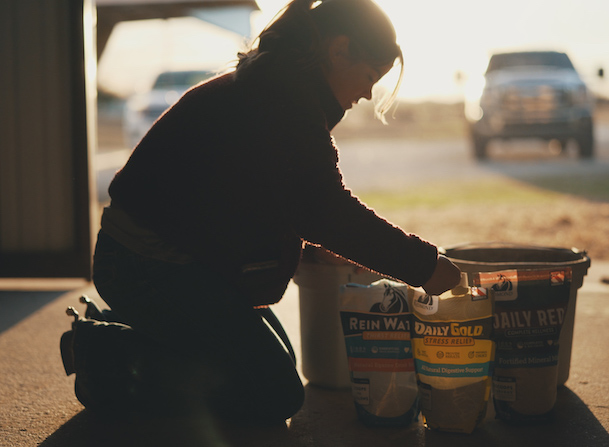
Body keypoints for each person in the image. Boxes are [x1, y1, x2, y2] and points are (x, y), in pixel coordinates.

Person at [87, 0, 461, 424]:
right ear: (340, 50)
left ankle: (148, 332)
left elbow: (265, 198)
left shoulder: (276, 86)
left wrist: (315, 245)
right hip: (146, 267)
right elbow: (324, 210)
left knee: (274, 358)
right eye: (371, 76)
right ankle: (107, 356)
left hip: (183, 263)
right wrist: (426, 267)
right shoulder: (281, 100)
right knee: (272, 393)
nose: (367, 93)